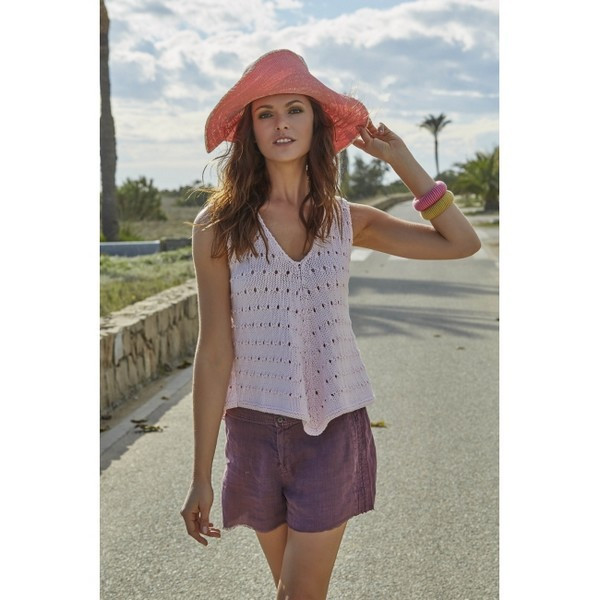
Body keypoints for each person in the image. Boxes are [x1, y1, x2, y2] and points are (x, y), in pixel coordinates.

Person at [180, 49, 481, 599]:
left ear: (315, 123)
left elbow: (461, 243)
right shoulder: (218, 226)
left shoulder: (346, 220)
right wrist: (200, 474)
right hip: (253, 430)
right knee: (291, 591)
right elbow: (215, 350)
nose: (281, 123)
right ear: (250, 130)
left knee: (297, 593)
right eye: (265, 113)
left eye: (294, 109)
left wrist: (403, 161)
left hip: (332, 428)